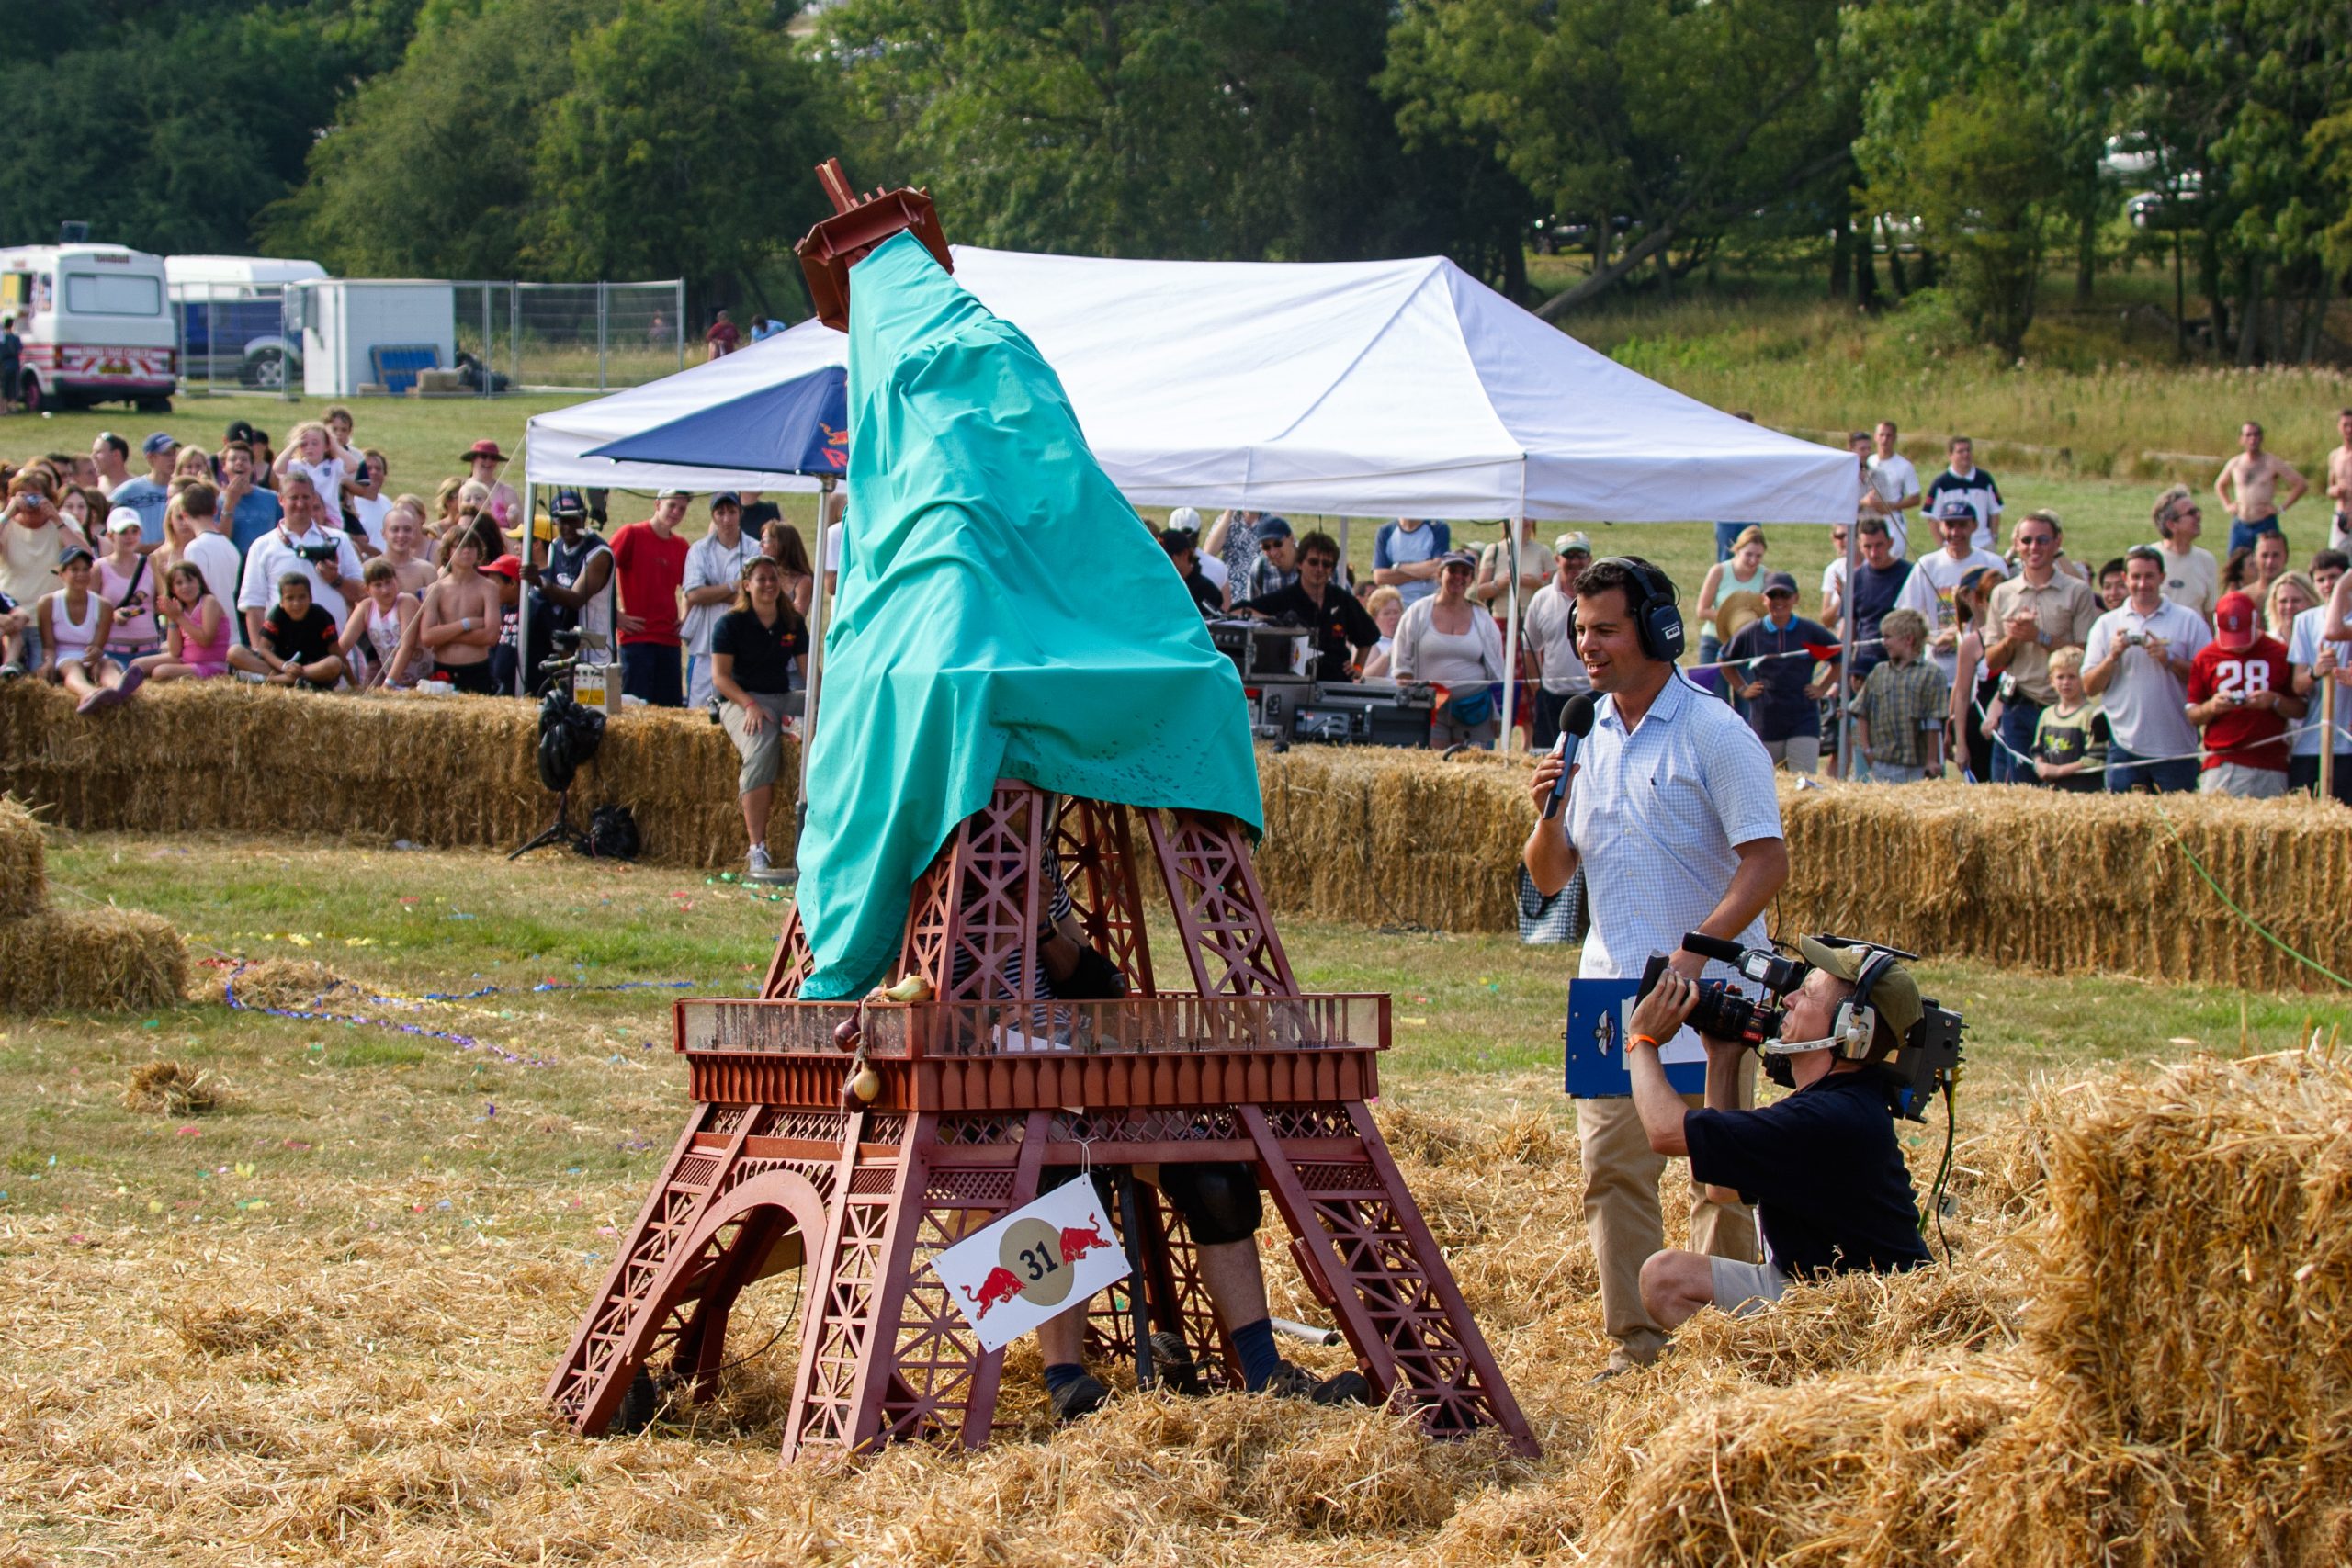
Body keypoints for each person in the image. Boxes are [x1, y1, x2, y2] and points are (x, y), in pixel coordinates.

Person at [1521, 555, 1783, 1376]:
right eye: (1579, 630)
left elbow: (1766, 861)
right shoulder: (1583, 733)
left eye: (1605, 628)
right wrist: (1546, 813)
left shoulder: (1714, 730)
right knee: (1612, 1174)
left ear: (1658, 630)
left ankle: (1724, 1344)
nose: (1587, 645)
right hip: (1609, 992)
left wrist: (1695, 954)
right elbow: (1549, 876)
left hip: (1712, 990)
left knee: (1725, 1180)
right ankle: (1639, 1347)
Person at [1625, 940, 1932, 1333]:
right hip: (1815, 1294)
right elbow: (1722, 1188)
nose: (1788, 1000)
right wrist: (1723, 1058)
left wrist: (1642, 1040)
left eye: (1807, 994)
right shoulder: (1845, 1102)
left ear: (1851, 1029)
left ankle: (1767, 1387)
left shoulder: (1824, 1119)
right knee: (1667, 1279)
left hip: (1864, 1319)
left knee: (1663, 1277)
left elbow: (1666, 1132)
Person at [711, 557, 809, 884]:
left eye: (773, 579)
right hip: (740, 697)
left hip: (782, 695)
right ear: (746, 585)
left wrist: (829, 704)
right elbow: (721, 678)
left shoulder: (792, 621)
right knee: (761, 747)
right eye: (761, 579)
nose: (768, 585)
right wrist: (750, 704)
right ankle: (757, 847)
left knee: (833, 718)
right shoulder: (730, 624)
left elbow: (811, 675)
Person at [2083, 546, 2212, 794]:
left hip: (2177, 748)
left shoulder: (2188, 621)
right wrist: (2112, 657)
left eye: (2149, 576)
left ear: (2162, 577)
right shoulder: (2106, 624)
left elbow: (2207, 679)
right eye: (2136, 577)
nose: (2142, 584)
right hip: (2124, 746)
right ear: (2125, 579)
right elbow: (2089, 686)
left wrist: (2170, 660)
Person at [1981, 511, 2098, 784]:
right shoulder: (2003, 593)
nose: (2034, 548)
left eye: (2042, 540)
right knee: (2023, 789)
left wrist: (2039, 637)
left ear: (2057, 543)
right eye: (2027, 540)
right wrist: (2013, 639)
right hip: (2021, 704)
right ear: (2017, 544)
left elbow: (2083, 652)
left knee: (2067, 786)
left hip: (2065, 707)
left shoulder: (2077, 591)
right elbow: (1991, 659)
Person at [2185, 591, 2299, 798]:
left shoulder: (2279, 653)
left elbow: (2301, 708)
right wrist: (2212, 707)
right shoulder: (2206, 657)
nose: (2238, 646)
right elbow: (2192, 713)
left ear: (2255, 621)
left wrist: (2273, 700)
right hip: (2223, 760)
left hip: (2270, 761)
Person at [1393, 551, 1507, 748]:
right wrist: (1410, 706)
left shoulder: (1483, 618)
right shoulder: (1417, 612)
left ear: (1471, 579)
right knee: (1433, 769)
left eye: (1465, 573)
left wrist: (1498, 713)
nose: (1458, 577)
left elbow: (1497, 670)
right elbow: (1401, 664)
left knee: (1472, 772)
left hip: (1475, 710)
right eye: (1453, 571)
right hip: (1430, 708)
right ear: (1440, 574)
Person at [1724, 571, 1835, 773]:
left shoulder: (1808, 630)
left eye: (1784, 595)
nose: (1779, 601)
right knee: (1767, 780)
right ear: (1763, 599)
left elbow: (1839, 655)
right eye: (1773, 595)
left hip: (1804, 718)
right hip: (1766, 719)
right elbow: (1724, 660)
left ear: (1796, 598)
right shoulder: (1753, 632)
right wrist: (1742, 688)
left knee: (1803, 782)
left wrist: (1823, 687)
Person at [237, 473, 362, 649]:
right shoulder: (262, 546)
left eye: (305, 497)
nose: (300, 504)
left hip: (332, 648)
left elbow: (362, 593)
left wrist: (336, 580)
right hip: (282, 651)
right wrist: (261, 654)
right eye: (293, 498)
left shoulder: (338, 539)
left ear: (314, 499)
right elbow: (253, 605)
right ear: (281, 500)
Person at [1238, 529, 1377, 682]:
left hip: (1336, 684)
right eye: (1313, 562)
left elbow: (1368, 635)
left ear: (1332, 570)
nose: (1319, 569)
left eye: (1326, 564)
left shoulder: (1342, 599)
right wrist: (1273, 621)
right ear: (1299, 563)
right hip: (1293, 686)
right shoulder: (1284, 598)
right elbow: (1237, 611)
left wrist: (1357, 668)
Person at [1893, 498, 2007, 685]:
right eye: (1950, 525)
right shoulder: (1926, 565)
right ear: (1940, 526)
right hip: (1939, 674)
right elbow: (1905, 619)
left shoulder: (1993, 563)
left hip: (1985, 672)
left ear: (1974, 526)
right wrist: (1931, 639)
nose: (1955, 532)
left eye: (1962, 525)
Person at [611, 488, 692, 706]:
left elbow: (692, 587)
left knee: (669, 712)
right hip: (636, 638)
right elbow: (599, 572)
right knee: (636, 709)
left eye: (682, 509)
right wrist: (615, 615)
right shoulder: (631, 534)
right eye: (672, 505)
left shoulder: (681, 546)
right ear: (657, 504)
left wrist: (684, 616)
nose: (676, 512)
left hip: (668, 639)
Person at [682, 491, 760, 708]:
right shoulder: (699, 550)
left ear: (740, 514)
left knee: (740, 709)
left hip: (743, 644)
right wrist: (733, 586)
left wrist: (712, 592)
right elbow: (694, 595)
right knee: (699, 711)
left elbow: (758, 597)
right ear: (713, 516)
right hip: (705, 645)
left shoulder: (754, 549)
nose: (726, 519)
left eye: (732, 512)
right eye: (720, 513)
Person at [402, 531, 503, 694]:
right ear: (448, 551)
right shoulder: (436, 589)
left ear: (478, 551)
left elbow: (491, 636)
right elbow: (427, 637)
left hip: (476, 669)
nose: (466, 551)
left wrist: (444, 637)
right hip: (444, 669)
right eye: (460, 546)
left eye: (471, 547)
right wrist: (466, 624)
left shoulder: (488, 587)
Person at [1851, 610, 1947, 783]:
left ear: (1908, 639)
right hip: (1883, 765)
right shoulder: (1879, 672)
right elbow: (1862, 712)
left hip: (1918, 767)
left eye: (1888, 637)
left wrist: (1931, 760)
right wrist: (1867, 751)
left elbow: (1934, 720)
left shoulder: (1931, 674)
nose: (1884, 643)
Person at [526, 490, 616, 666]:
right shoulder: (555, 546)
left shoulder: (599, 553)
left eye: (573, 520)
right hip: (564, 647)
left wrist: (541, 582)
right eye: (562, 520)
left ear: (583, 518)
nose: (567, 527)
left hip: (595, 651)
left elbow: (577, 599)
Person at [1521, 533, 1593, 744]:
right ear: (1557, 559)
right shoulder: (1542, 598)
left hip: (1591, 694)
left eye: (1581, 555)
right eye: (1568, 555)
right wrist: (1539, 689)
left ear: (1590, 559)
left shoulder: (1599, 600)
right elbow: (1529, 648)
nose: (1575, 562)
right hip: (1551, 698)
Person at [2291, 551, 2352, 801]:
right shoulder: (2304, 621)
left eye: (2334, 578)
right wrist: (2316, 672)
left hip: (2347, 742)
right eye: (2321, 579)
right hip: (2312, 741)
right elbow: (2298, 685)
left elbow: (2334, 629)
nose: (2328, 585)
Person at [40, 547, 128, 709]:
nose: (81, 575)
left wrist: (96, 653)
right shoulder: (47, 603)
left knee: (106, 665)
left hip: (90, 656)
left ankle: (119, 688)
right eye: (74, 570)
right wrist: (49, 662)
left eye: (85, 569)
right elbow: (48, 646)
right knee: (73, 668)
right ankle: (88, 693)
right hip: (64, 656)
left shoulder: (104, 605)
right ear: (62, 574)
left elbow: (98, 646)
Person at [231, 573, 346, 690]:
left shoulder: (321, 615)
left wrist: (353, 682)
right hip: (280, 666)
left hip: (311, 670)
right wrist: (285, 666)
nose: (296, 604)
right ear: (281, 602)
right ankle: (290, 681)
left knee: (335, 663)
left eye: (302, 597)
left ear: (310, 598)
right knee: (234, 652)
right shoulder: (277, 614)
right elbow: (263, 649)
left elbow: (335, 650)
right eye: (290, 598)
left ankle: (267, 680)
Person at [1945, 566, 2006, 782]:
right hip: (1979, 724)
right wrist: (1960, 743)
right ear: (1981, 602)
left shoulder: (2021, 635)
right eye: (1993, 599)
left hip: (2011, 719)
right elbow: (1961, 693)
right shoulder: (1972, 643)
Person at [2214, 420, 2307, 557]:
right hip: (2241, 523)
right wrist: (2227, 505)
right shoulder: (2235, 463)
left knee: (2268, 562)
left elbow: (2301, 484)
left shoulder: (2271, 462)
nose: (2253, 439)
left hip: (2264, 522)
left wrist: (2281, 508)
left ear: (2261, 438)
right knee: (2235, 564)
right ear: (2241, 439)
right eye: (2248, 435)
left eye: (2256, 435)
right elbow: (2220, 485)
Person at [1, 474, 66, 667]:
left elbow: (87, 557)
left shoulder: (62, 522)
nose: (30, 503)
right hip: (12, 619)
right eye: (24, 496)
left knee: (40, 675)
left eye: (36, 496)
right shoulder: (5, 523)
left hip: (48, 621)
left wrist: (56, 518)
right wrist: (8, 512)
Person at [1843, 517, 1911, 694]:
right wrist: (1841, 673)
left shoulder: (1909, 574)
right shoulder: (1855, 578)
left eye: (1879, 545)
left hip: (1898, 661)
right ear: (1859, 546)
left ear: (1890, 543)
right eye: (1867, 547)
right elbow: (1849, 628)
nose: (1874, 553)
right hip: (1864, 663)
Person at [136, 561, 232, 684]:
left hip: (211, 666)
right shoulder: (178, 608)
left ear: (199, 582)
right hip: (187, 661)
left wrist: (179, 617)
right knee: (137, 665)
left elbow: (206, 640)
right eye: (179, 583)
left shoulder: (209, 602)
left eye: (190, 581)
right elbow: (175, 651)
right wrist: (172, 618)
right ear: (173, 589)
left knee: (161, 672)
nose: (185, 586)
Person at [1695, 526, 1770, 682]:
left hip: (1747, 646)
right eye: (1748, 554)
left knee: (1747, 699)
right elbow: (1702, 610)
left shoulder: (1766, 576)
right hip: (1714, 643)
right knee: (1715, 701)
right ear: (1737, 550)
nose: (1753, 560)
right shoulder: (1719, 571)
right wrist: (1732, 618)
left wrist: (1747, 623)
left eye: (1758, 556)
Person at [2030, 647, 2108, 792]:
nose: (2066, 682)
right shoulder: (2047, 715)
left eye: (2072, 677)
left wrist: (2059, 771)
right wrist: (2040, 765)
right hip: (2052, 790)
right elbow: (2037, 749)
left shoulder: (2091, 714)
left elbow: (2096, 758)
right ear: (2051, 680)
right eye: (2060, 677)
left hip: (2084, 790)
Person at [95, 508, 164, 671]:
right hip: (113, 650)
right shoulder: (99, 568)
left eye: (135, 531)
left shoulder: (150, 563)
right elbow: (90, 608)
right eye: (123, 532)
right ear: (111, 536)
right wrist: (111, 615)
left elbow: (161, 602)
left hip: (149, 650)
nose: (130, 537)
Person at [337, 558, 420, 688]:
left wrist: (388, 684)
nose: (385, 590)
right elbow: (343, 645)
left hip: (420, 680)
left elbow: (407, 645)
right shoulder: (366, 608)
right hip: (395, 682)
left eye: (388, 582)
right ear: (367, 589)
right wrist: (350, 681)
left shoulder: (406, 602)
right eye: (378, 585)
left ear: (396, 581)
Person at [1924, 435, 2001, 553]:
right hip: (1954, 546)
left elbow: (1995, 511)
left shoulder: (1984, 479)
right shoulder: (1941, 483)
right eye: (1960, 451)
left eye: (1968, 450)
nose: (1966, 454)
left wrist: (1993, 538)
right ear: (1950, 455)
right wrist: (1942, 545)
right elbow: (1932, 518)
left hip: (1984, 545)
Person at [107, 433, 177, 548]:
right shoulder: (130, 490)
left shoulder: (180, 489)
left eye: (174, 453)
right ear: (150, 457)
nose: (173, 459)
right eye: (166, 454)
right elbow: (104, 510)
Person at [273, 420, 355, 518]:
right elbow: (277, 468)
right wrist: (293, 445)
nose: (309, 447)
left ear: (326, 446)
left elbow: (353, 466)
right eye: (304, 444)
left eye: (315, 443)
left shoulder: (333, 465)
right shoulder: (296, 465)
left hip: (329, 516)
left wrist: (335, 446)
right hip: (303, 515)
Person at [1867, 420, 1922, 557]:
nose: (1885, 440)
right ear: (1875, 437)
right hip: (1868, 517)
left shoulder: (1904, 466)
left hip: (1892, 520)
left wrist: (1891, 506)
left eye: (1889, 436)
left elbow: (1916, 498)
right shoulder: (1868, 462)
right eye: (1881, 435)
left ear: (1895, 438)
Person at [218, 440, 283, 554]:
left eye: (244, 459)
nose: (239, 463)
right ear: (224, 467)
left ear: (253, 467)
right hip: (234, 562)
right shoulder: (218, 501)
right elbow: (220, 541)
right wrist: (229, 503)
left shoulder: (272, 499)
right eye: (233, 459)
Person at [1372, 516, 1451, 609]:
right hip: (1398, 608)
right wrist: (1423, 572)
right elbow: (1380, 577)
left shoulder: (1438, 528)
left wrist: (1398, 566)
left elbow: (1437, 568)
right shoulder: (1385, 532)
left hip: (1430, 606)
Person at [1474, 518, 1547, 610]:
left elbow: (1554, 590)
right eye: (1517, 517)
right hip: (1500, 618)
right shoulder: (1494, 550)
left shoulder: (1543, 551)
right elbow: (1478, 593)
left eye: (1528, 516)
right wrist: (1501, 583)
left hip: (1533, 618)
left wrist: (1535, 583)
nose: (1523, 520)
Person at [1159, 525, 1224, 618]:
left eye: (1167, 557)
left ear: (1185, 554)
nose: (1162, 563)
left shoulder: (1206, 591)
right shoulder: (1158, 586)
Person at [758, 519, 816, 618]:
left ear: (781, 544)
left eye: (765, 541)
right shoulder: (762, 574)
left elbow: (797, 617)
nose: (761, 545)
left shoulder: (803, 581)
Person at [459, 440, 522, 530]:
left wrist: (513, 522)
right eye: (483, 456)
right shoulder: (461, 488)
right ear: (473, 459)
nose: (488, 461)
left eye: (493, 458)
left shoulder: (507, 492)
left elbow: (523, 530)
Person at [379, 502, 437, 596]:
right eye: (395, 529)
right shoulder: (369, 568)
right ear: (384, 534)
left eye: (407, 529)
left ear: (414, 533)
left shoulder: (427, 571)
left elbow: (432, 609)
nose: (401, 535)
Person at [1241, 515, 1298, 604]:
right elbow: (1253, 611)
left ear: (1291, 538)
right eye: (1266, 547)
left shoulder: (1311, 563)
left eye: (1278, 544)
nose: (1273, 552)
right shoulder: (1259, 568)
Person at [346, 449, 392, 556]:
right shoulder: (351, 505)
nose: (373, 472)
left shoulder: (387, 502)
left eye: (378, 469)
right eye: (368, 468)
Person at [1362, 585, 1405, 680]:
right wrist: (1391, 652)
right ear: (1374, 618)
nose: (1393, 617)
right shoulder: (1372, 643)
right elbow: (1365, 678)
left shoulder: (1408, 639)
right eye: (1387, 613)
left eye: (1396, 612)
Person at [2266, 571, 2317, 645]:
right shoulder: (2267, 643)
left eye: (2296, 600)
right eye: (2283, 601)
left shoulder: (2321, 638)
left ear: (2311, 602)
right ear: (2274, 605)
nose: (2289, 606)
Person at [2327, 409, 2352, 551]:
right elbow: (2329, 488)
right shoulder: (2335, 456)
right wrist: (2334, 491)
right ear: (2339, 427)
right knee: (2337, 557)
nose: (2349, 430)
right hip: (2341, 514)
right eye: (2345, 425)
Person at [90, 432, 132, 497]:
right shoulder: (93, 485)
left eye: (98, 452)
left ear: (116, 455)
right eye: (93, 452)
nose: (93, 456)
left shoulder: (136, 488)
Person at [0, 314, 21, 415]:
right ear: (12, 325)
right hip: (14, 364)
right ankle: (14, 407)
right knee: (14, 386)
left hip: (4, 364)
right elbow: (20, 349)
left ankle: (3, 409)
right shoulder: (15, 338)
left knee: (4, 387)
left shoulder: (2, 338)